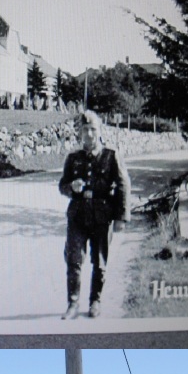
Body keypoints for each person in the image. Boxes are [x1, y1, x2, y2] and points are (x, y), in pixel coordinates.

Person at [59, 111, 130, 319]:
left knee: (99, 262)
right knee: (74, 260)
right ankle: (72, 304)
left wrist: (121, 217)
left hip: (102, 216)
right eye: (85, 130)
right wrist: (71, 187)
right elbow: (62, 185)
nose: (89, 134)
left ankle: (95, 302)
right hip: (77, 216)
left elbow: (124, 184)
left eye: (93, 130)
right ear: (80, 133)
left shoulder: (111, 155)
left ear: (100, 131)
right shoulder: (73, 158)